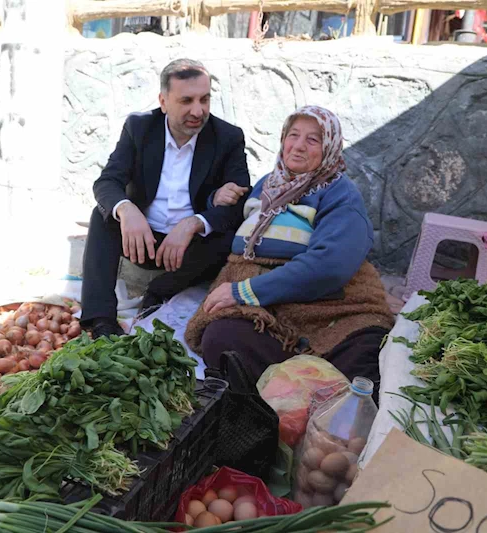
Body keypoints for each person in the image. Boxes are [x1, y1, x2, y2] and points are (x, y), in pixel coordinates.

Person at [185, 105, 394, 396]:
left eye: (313, 139)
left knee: (362, 355)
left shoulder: (339, 194)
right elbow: (232, 222)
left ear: (330, 147)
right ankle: (291, 392)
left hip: (324, 305)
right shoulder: (267, 185)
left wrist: (243, 291)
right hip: (267, 310)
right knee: (222, 338)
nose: (298, 146)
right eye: (293, 135)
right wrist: (213, 200)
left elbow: (330, 266)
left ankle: (303, 393)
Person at [82, 59, 251, 339]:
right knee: (102, 217)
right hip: (141, 241)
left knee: (232, 237)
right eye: (186, 101)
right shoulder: (139, 128)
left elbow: (241, 202)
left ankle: (160, 292)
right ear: (163, 102)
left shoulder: (227, 137)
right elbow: (107, 182)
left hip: (191, 249)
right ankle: (100, 320)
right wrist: (127, 210)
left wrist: (193, 223)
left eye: (204, 99)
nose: (198, 111)